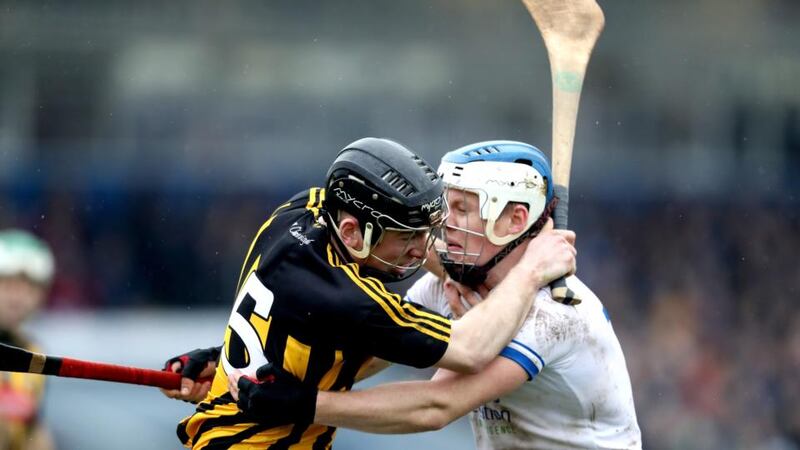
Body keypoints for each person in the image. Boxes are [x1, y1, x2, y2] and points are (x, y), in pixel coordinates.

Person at [228, 140, 642, 449]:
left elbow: (435, 406)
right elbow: (364, 354)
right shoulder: (447, 286)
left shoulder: (555, 313)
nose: (446, 226)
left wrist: (303, 404)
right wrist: (242, 361)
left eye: (463, 209)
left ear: (516, 218)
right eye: (448, 207)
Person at [0, 229, 56, 450]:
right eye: (8, 284)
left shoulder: (35, 354)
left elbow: (33, 435)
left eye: (29, 288)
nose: (17, 297)